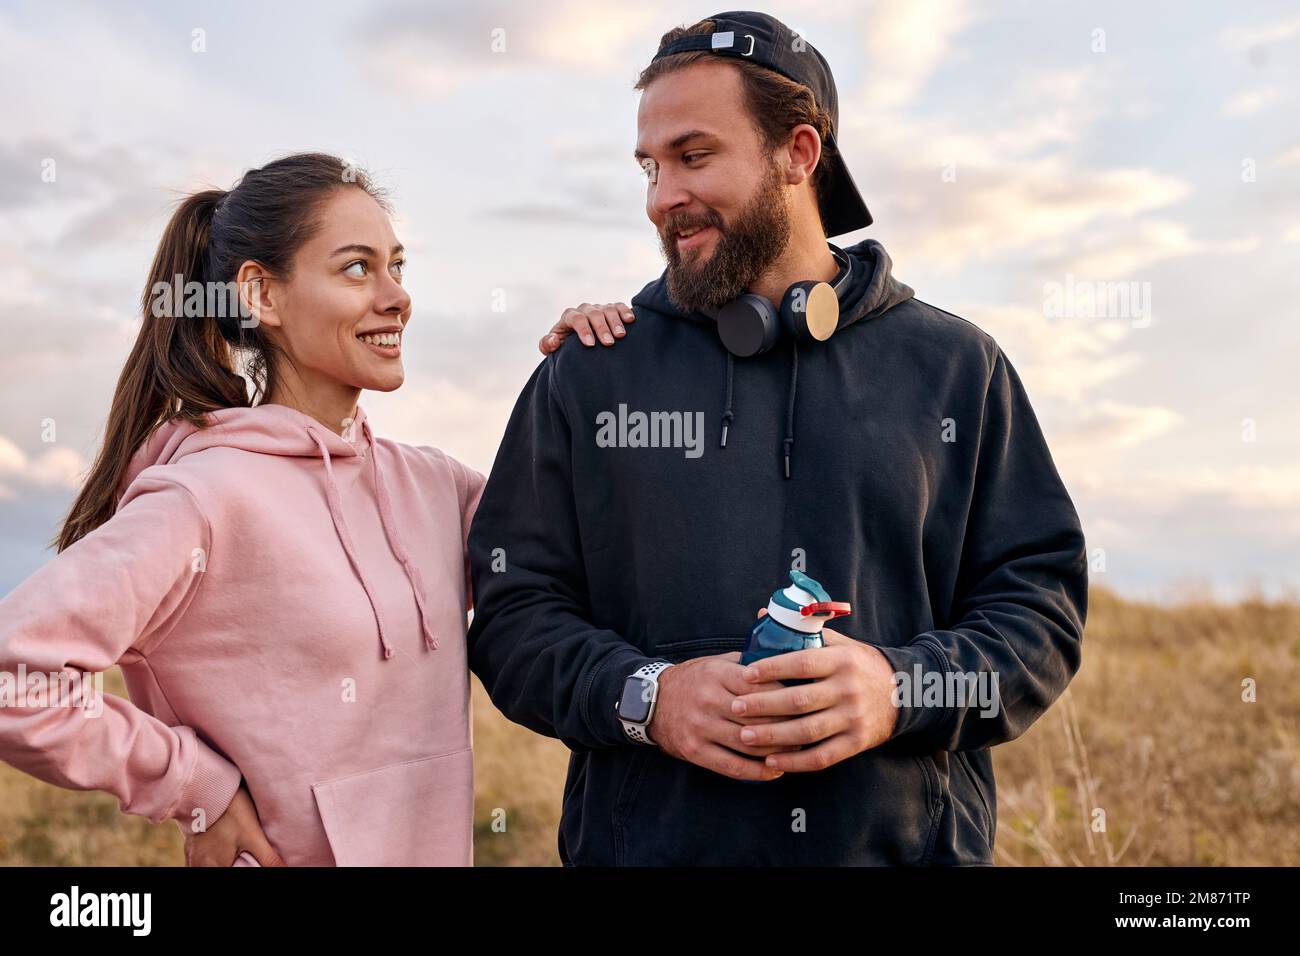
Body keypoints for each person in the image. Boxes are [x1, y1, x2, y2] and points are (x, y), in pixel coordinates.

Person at [466, 12, 1089, 865]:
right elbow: (511, 619)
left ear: (799, 153)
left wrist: (900, 689)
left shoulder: (958, 368)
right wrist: (649, 697)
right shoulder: (590, 373)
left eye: (694, 156)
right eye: (650, 167)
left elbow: (1038, 617)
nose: (661, 196)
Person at [0, 151, 631, 866]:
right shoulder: (204, 498)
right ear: (261, 297)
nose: (397, 297)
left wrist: (600, 367)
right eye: (357, 268)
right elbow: (14, 679)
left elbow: (593, 551)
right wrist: (193, 783)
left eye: (398, 266)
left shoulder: (437, 488)